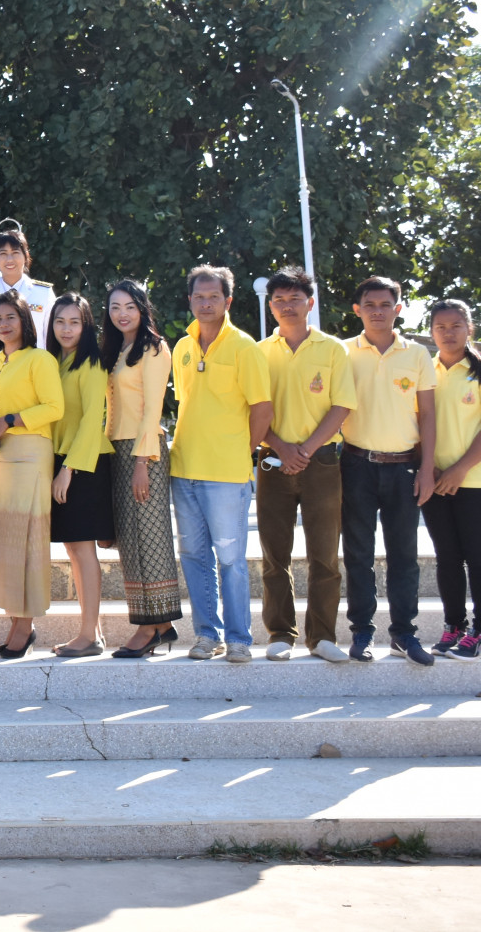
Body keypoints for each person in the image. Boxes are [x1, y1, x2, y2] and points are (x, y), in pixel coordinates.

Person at [169, 265, 272, 664]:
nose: (206, 303)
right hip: (184, 469)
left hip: (227, 475)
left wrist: (238, 450)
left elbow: (262, 410)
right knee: (194, 557)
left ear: (228, 301)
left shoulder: (245, 347)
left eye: (214, 296)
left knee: (230, 560)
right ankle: (206, 635)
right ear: (190, 300)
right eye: (199, 296)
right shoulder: (182, 347)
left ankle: (239, 639)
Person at [255, 267, 357, 664]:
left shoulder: (332, 349)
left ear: (310, 303)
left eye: (294, 299)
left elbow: (342, 405)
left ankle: (323, 636)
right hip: (272, 461)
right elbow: (253, 410)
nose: (286, 306)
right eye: (279, 300)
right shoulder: (260, 352)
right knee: (274, 553)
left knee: (324, 554)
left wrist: (307, 450)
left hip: (322, 462)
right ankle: (280, 632)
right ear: (270, 305)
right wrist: (282, 446)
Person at [340, 276, 438, 665]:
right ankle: (362, 631)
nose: (377, 311)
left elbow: (428, 414)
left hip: (404, 468)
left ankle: (404, 633)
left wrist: (427, 469)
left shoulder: (416, 355)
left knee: (404, 555)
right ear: (357, 310)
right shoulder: (343, 352)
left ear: (398, 309)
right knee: (358, 554)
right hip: (356, 464)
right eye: (370, 304)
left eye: (385, 304)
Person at [0, 290, 65, 658]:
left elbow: (54, 407)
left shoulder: (39, 359)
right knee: (3, 542)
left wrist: (8, 421)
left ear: (24, 321)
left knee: (27, 538)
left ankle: (25, 626)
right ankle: (15, 621)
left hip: (29, 454)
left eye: (10, 317)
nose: (3, 324)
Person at [99, 280, 181, 658]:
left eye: (129, 306)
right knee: (130, 541)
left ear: (142, 308)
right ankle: (159, 625)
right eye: (115, 307)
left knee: (149, 537)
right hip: (117, 448)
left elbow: (153, 410)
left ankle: (152, 626)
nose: (122, 314)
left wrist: (141, 463)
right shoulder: (118, 350)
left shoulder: (154, 347)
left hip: (142, 451)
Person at [425, 298, 481, 661]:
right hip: (434, 482)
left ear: (469, 329)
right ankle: (454, 628)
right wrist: (430, 470)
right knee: (446, 557)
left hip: (475, 482)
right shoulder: (424, 371)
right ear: (431, 331)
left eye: (456, 325)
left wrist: (459, 469)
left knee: (478, 555)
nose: (448, 332)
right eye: (441, 326)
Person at [48, 294, 112, 657]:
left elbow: (92, 420)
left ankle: (88, 636)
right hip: (61, 460)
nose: (67, 328)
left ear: (86, 325)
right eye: (60, 321)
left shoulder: (91, 363)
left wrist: (68, 470)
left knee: (83, 550)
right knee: (73, 549)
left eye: (74, 322)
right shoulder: (56, 361)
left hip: (83, 465)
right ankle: (94, 631)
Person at [0, 224, 55, 393]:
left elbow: (51, 339)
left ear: (26, 256)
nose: (9, 260)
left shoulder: (43, 293)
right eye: (3, 254)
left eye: (15, 253)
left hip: (35, 375)